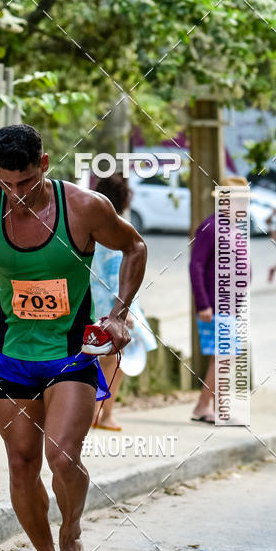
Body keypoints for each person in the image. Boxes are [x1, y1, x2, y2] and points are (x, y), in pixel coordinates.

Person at [0, 124, 146, 551]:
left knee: (64, 459)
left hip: (71, 354)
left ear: (44, 165)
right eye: (6, 183)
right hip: (12, 356)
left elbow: (134, 246)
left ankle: (71, 533)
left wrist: (118, 314)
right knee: (21, 464)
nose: (17, 193)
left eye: (26, 182)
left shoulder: (84, 208)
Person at [90, 174, 157, 431]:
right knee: (113, 363)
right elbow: (117, 274)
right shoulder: (119, 230)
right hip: (114, 309)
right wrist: (124, 312)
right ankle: (102, 414)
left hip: (93, 305)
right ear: (125, 199)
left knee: (98, 361)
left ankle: (97, 413)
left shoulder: (91, 228)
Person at [189, 175, 249, 423]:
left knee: (223, 355)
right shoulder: (210, 227)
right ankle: (214, 407)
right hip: (215, 304)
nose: (243, 207)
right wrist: (203, 303)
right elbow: (196, 265)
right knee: (225, 354)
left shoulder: (233, 229)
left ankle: (206, 406)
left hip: (230, 305)